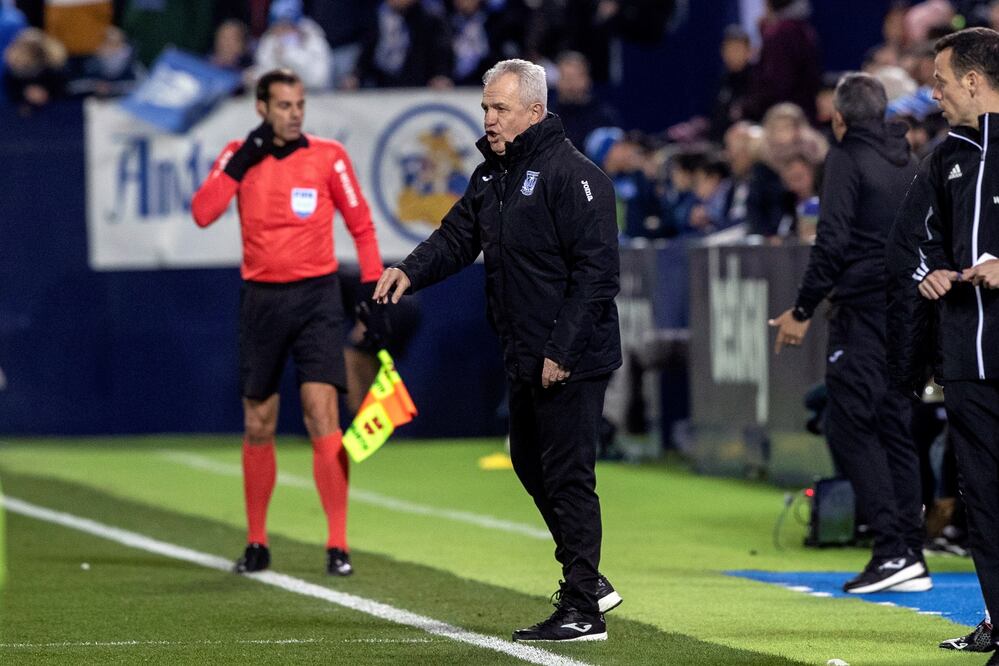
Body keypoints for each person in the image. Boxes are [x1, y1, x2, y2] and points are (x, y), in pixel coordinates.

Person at [373, 58, 623, 642]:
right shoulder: (494, 176)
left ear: (534, 111)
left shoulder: (575, 176)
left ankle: (583, 606)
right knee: (529, 463)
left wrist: (561, 350)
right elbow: (459, 237)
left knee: (567, 475)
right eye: (485, 107)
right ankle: (589, 581)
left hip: (570, 356)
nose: (487, 118)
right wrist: (410, 271)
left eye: (499, 108)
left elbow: (596, 278)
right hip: (523, 350)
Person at [190, 68, 384, 578]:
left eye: (299, 104)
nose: (295, 113)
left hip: (317, 298)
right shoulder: (240, 154)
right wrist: (245, 158)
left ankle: (337, 544)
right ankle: (257, 543)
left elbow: (361, 223)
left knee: (323, 415)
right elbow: (203, 213)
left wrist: (369, 289)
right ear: (261, 108)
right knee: (259, 422)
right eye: (283, 105)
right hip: (262, 301)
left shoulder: (328, 156)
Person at [770, 72, 928, 594]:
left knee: (847, 425)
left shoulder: (844, 159)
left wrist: (802, 309)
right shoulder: (906, 159)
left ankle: (890, 550)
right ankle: (910, 553)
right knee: (895, 428)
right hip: (905, 312)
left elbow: (832, 243)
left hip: (862, 313)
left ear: (838, 119)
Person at [888, 27, 999, 656]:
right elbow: (905, 243)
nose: (934, 95)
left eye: (942, 82)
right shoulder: (946, 156)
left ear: (976, 82)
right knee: (982, 500)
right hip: (965, 362)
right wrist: (925, 270)